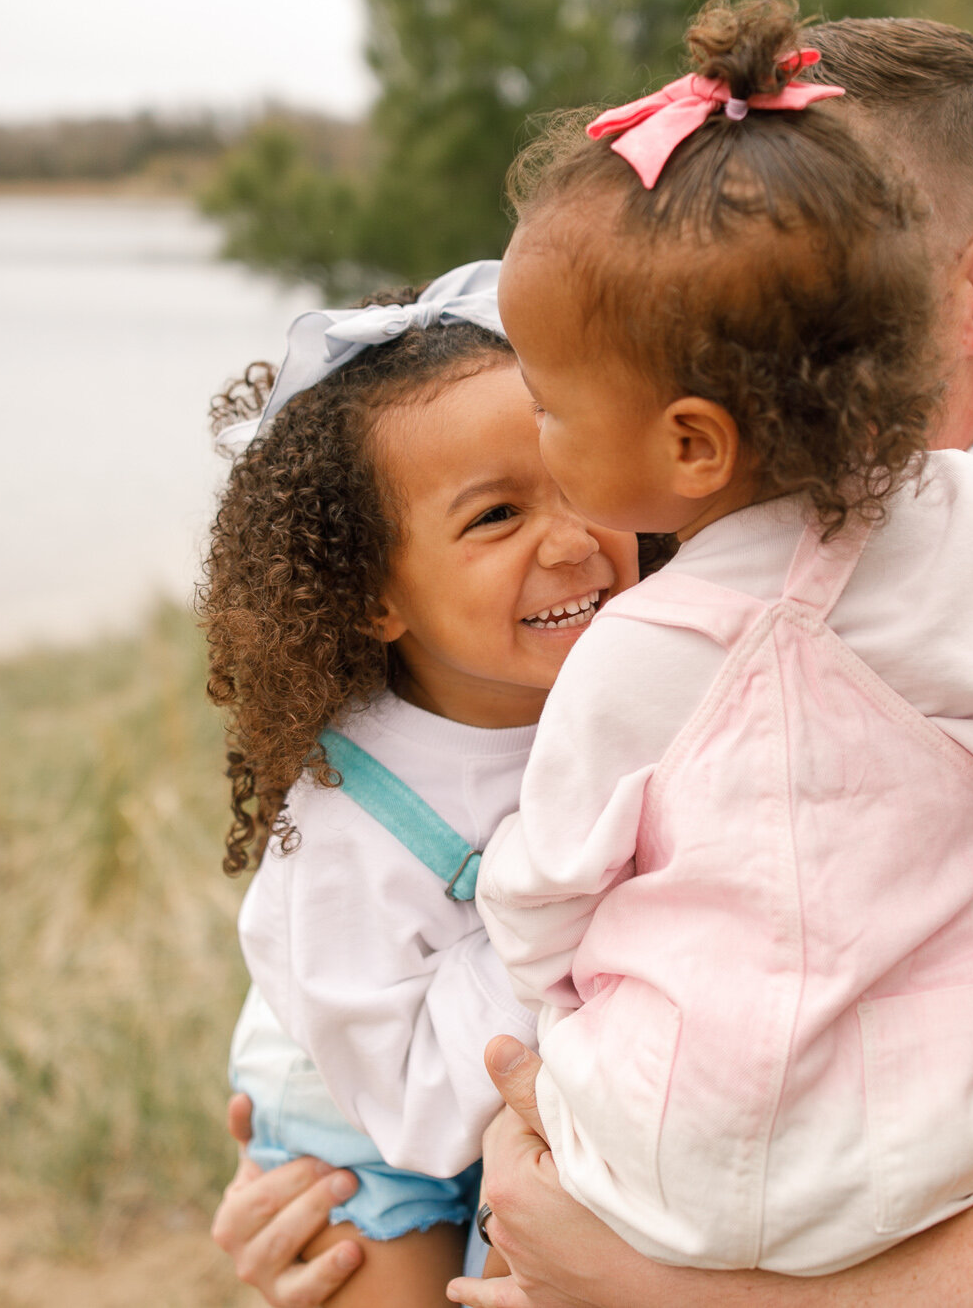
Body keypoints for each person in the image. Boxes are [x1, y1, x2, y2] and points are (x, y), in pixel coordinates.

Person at [214, 13, 973, 1308]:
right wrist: (320, 1151)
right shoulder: (652, 576)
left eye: (788, 295)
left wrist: (661, 1291)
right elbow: (393, 918)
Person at [199, 260, 640, 1307]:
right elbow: (416, 1110)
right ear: (373, 598)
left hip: (507, 1073)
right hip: (363, 1106)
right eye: (494, 519)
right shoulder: (352, 826)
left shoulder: (643, 667)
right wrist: (564, 899)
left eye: (578, 483)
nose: (572, 542)